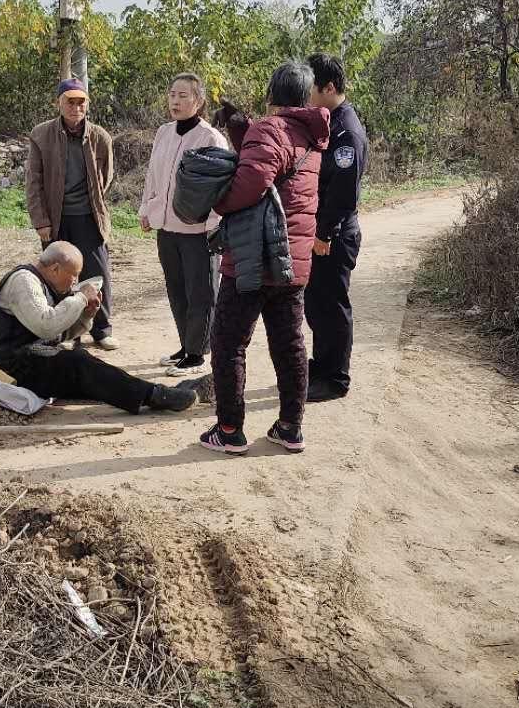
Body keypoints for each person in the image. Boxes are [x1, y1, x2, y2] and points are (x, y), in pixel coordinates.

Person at [200, 61, 330, 456]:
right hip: (293, 261)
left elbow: (254, 180)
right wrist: (243, 128)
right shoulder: (311, 136)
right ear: (306, 96)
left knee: (228, 343)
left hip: (252, 257)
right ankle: (291, 427)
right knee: (289, 343)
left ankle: (229, 430)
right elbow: (272, 163)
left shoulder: (270, 130)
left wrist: (217, 203)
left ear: (272, 93)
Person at [0, 241, 203, 414]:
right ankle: (155, 395)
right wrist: (79, 298)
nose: (75, 281)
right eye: (74, 275)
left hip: (30, 360)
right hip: (9, 367)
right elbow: (46, 326)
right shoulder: (24, 281)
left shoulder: (41, 283)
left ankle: (155, 393)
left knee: (85, 367)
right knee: (78, 362)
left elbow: (59, 334)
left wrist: (86, 315)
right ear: (55, 268)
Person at [138, 73, 229, 373]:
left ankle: (198, 354)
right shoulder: (164, 132)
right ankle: (185, 346)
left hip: (197, 230)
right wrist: (146, 210)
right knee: (176, 290)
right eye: (172, 94)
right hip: (167, 227)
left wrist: (213, 225)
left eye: (183, 96)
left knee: (200, 293)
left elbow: (221, 185)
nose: (175, 101)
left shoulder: (210, 138)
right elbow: (152, 175)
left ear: (199, 101)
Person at [25, 78, 119, 350]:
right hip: (56, 219)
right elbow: (33, 183)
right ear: (59, 103)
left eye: (81, 102)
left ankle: (101, 330)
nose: (76, 107)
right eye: (70, 101)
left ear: (87, 105)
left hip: (90, 218)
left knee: (97, 272)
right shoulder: (41, 135)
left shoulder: (100, 137)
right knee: (59, 276)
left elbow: (106, 177)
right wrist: (41, 221)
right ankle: (67, 332)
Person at [305, 53, 369, 402]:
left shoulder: (347, 132)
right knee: (316, 304)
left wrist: (323, 233)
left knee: (332, 304)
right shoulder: (327, 122)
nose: (307, 96)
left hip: (334, 233)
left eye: (311, 88)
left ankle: (335, 378)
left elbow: (343, 193)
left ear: (329, 88)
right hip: (321, 230)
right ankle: (321, 365)